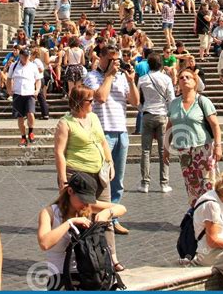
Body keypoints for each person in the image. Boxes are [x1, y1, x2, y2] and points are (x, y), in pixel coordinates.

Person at [54, 85, 121, 267]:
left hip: (100, 172)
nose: (93, 103)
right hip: (79, 174)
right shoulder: (65, 122)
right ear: (77, 102)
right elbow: (59, 152)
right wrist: (63, 179)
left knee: (105, 214)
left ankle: (112, 257)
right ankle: (82, 258)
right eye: (89, 100)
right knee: (81, 216)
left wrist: (110, 163)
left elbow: (102, 141)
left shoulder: (93, 117)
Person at [84, 44, 139, 235]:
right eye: (110, 59)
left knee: (118, 180)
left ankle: (112, 219)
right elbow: (100, 97)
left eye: (117, 59)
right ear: (100, 58)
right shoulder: (92, 76)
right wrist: (108, 75)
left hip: (121, 132)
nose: (115, 63)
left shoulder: (122, 77)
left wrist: (131, 81)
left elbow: (135, 102)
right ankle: (98, 218)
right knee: (101, 179)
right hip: (102, 134)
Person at [37, 171, 126, 290]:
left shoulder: (87, 206)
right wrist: (71, 222)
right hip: (60, 277)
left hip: (88, 275)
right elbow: (44, 243)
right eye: (83, 199)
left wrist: (107, 212)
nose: (86, 204)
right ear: (70, 192)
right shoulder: (49, 213)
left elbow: (122, 208)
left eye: (88, 200)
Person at [164, 69, 222, 207]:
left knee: (209, 185)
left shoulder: (203, 101)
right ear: (178, 82)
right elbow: (169, 126)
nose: (185, 79)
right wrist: (166, 147)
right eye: (182, 77)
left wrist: (218, 146)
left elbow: (215, 125)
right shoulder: (174, 103)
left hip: (203, 149)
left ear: (195, 82)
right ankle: (197, 218)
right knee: (191, 187)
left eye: (188, 77)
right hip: (184, 151)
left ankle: (211, 218)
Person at [137, 53, 175, 194]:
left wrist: (142, 110)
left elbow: (137, 98)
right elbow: (171, 98)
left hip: (147, 114)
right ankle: (164, 183)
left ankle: (144, 183)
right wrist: (170, 115)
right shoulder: (166, 79)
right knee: (163, 150)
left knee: (145, 151)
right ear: (161, 65)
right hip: (162, 115)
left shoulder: (142, 79)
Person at [6, 47, 43, 146]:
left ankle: (31, 132)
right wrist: (9, 89)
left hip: (29, 93)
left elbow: (38, 79)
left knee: (31, 113)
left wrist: (37, 90)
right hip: (18, 93)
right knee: (20, 117)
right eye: (24, 56)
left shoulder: (33, 66)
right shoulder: (14, 66)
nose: (26, 58)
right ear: (20, 56)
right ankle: (23, 137)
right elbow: (9, 78)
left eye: (27, 56)